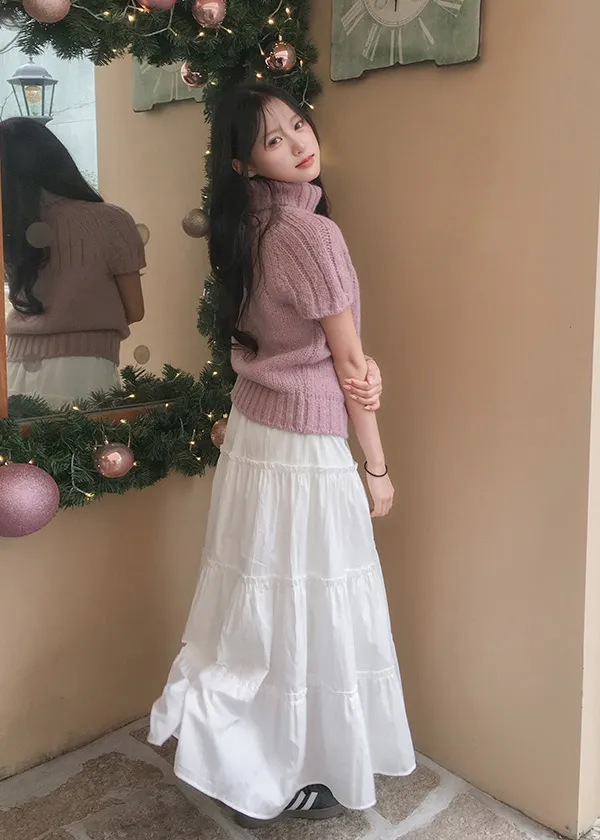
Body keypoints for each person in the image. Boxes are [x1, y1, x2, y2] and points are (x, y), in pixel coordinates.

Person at [149, 82, 415, 826]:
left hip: (253, 436)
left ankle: (249, 750)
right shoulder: (310, 233)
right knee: (310, 603)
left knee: (258, 605)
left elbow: (294, 347)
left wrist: (355, 376)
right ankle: (288, 766)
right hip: (302, 448)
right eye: (274, 139)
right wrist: (376, 467)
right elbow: (350, 368)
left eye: (298, 124)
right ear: (243, 163)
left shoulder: (247, 228)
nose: (300, 143)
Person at [0, 117, 145, 409]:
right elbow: (135, 310)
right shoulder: (111, 221)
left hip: (14, 369)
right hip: (86, 369)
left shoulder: (9, 227)